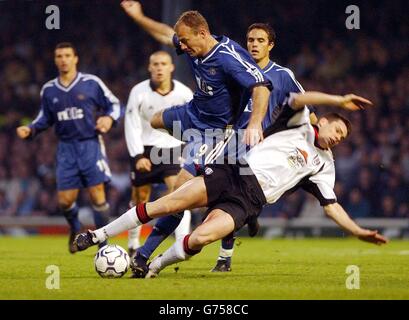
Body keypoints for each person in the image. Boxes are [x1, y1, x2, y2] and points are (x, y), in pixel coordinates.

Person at [74, 91, 388, 278]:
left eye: (342, 138)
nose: (337, 137)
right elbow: (298, 98)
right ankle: (95, 235)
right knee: (167, 204)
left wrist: (358, 231)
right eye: (337, 129)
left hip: (249, 201)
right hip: (233, 171)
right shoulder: (299, 124)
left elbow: (331, 206)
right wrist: (340, 99)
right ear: (325, 121)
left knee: (199, 238)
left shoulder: (324, 165)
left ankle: (153, 265)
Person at [120, 1, 272, 277]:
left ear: (203, 33)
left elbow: (261, 87)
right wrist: (139, 17)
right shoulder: (192, 44)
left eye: (187, 41)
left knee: (179, 192)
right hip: (193, 114)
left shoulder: (227, 57)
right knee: (153, 120)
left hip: (216, 130)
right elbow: (165, 34)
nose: (183, 47)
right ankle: (205, 173)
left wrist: (254, 123)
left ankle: (142, 255)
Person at [16, 42, 123, 253]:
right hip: (66, 148)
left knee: (97, 195)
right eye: (59, 56)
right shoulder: (49, 90)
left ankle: (103, 245)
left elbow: (115, 104)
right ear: (55, 60)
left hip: (90, 144)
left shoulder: (91, 83)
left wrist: (109, 119)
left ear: (75, 59)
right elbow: (44, 118)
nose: (63, 59)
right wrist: (30, 129)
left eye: (67, 55)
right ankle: (75, 227)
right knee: (65, 201)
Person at [125, 50, 193, 258]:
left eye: (163, 64)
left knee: (180, 194)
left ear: (171, 67)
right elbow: (132, 124)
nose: (159, 68)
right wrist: (137, 156)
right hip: (145, 150)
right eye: (155, 64)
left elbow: (193, 120)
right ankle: (134, 241)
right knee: (140, 198)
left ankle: (182, 243)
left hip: (173, 149)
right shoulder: (139, 92)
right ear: (149, 68)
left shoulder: (183, 93)